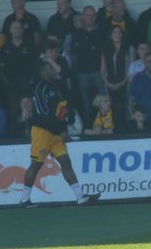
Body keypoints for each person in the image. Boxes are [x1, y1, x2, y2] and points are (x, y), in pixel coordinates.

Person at [20, 62, 101, 208]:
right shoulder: (40, 88)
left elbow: (63, 106)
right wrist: (62, 130)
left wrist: (69, 117)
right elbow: (44, 114)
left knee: (65, 162)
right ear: (42, 72)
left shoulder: (56, 86)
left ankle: (80, 196)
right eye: (49, 69)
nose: (52, 70)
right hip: (42, 131)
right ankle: (24, 199)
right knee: (36, 165)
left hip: (56, 133)